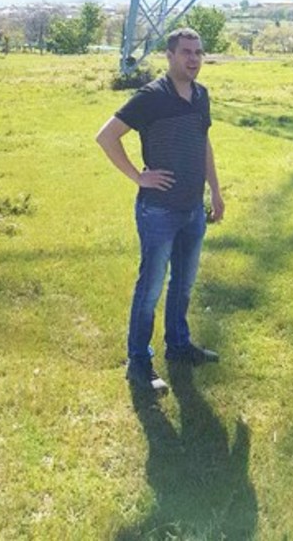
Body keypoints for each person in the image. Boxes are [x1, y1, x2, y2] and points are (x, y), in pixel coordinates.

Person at [95, 28, 224, 395]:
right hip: (158, 212)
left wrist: (215, 190)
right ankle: (139, 362)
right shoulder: (151, 97)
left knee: (183, 286)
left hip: (192, 209)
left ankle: (179, 346)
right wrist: (139, 176)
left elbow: (203, 144)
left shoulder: (201, 96)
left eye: (199, 52)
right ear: (169, 55)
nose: (194, 59)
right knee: (150, 290)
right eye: (186, 52)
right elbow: (106, 136)